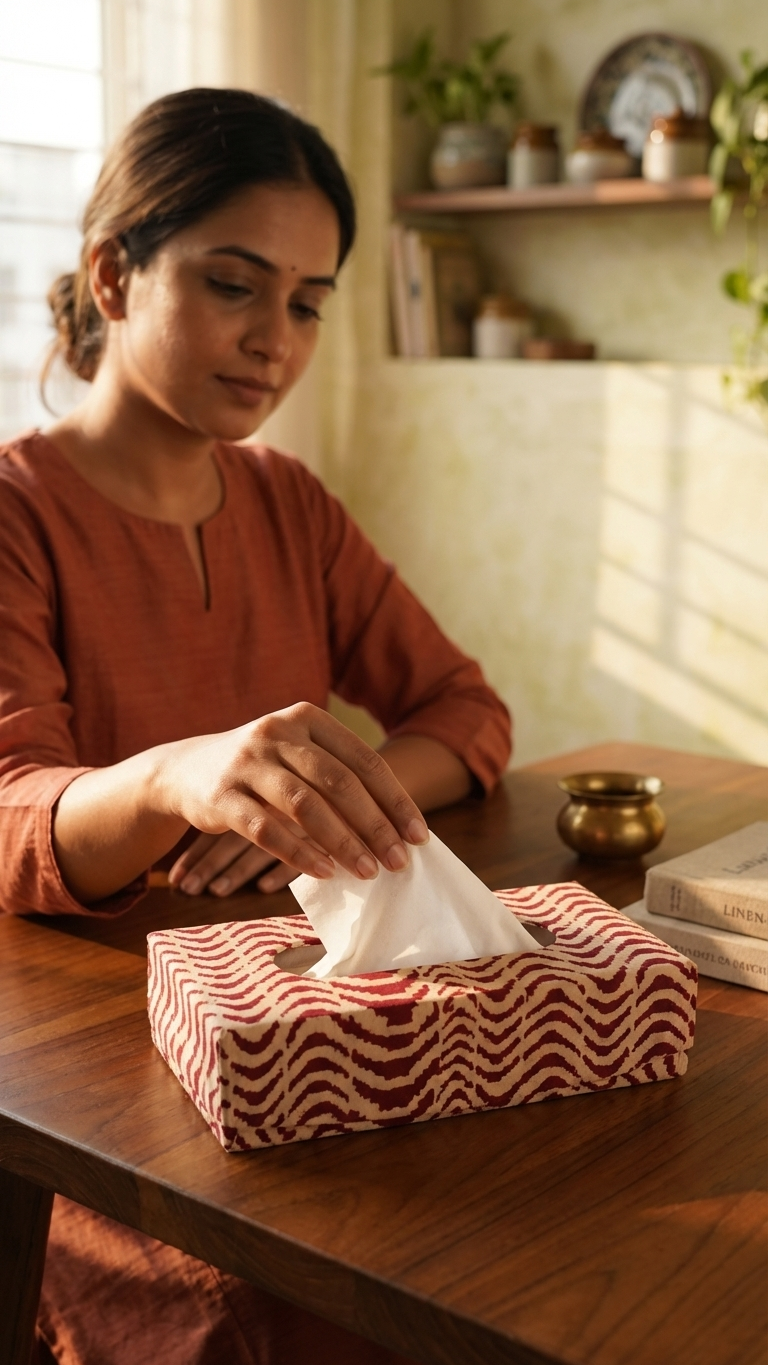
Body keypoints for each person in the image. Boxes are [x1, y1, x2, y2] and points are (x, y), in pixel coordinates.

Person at [0, 89, 511, 1365]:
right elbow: (9, 813)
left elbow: (466, 712)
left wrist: (322, 795)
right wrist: (178, 779)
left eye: (307, 301)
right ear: (113, 274)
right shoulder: (16, 511)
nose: (275, 341)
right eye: (234, 285)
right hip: (109, 1108)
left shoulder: (291, 503)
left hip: (316, 1046)